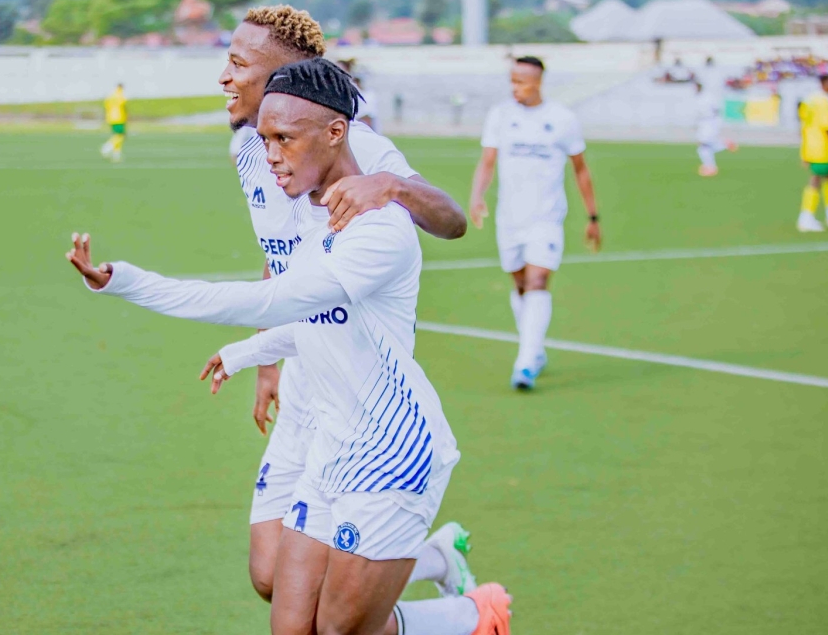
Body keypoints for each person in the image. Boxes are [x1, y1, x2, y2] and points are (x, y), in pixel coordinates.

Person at [68, 58, 511, 635]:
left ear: (335, 133)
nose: (270, 154)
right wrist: (247, 356)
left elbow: (266, 303)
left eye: (283, 140)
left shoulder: (380, 231)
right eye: (265, 140)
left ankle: (468, 617)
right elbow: (316, 321)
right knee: (290, 621)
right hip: (332, 445)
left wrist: (123, 280)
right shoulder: (311, 211)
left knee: (339, 632)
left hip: (392, 456)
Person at [220, 6, 489, 630]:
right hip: (303, 375)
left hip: (356, 396)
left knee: (332, 623)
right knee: (270, 576)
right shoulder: (249, 147)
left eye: (238, 64)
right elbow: (281, 255)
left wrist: (390, 187)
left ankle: (463, 617)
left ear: (285, 78)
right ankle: (436, 563)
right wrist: (266, 359)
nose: (224, 78)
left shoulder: (357, 141)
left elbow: (451, 219)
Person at [469, 56, 601, 391]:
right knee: (521, 285)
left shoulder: (562, 119)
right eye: (512, 81)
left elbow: (580, 169)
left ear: (538, 82)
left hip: (547, 217)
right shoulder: (501, 115)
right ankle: (535, 350)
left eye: (521, 82)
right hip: (509, 218)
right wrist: (477, 196)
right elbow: (487, 161)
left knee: (538, 280)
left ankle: (525, 363)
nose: (515, 88)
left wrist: (592, 216)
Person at [796, 74, 828, 231]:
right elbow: (826, 127)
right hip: (821, 147)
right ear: (826, 83)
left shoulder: (810, 100)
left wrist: (804, 151)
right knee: (816, 179)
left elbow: (804, 125)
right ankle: (806, 217)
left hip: (811, 146)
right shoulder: (822, 101)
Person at [695, 81, 737, 177]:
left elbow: (716, 109)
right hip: (704, 122)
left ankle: (711, 167)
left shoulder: (707, 97)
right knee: (703, 148)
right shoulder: (699, 98)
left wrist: (715, 122)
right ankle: (711, 165)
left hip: (710, 122)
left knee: (703, 144)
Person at [100, 83, 127, 162]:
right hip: (119, 118)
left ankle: (116, 154)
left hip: (111, 118)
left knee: (117, 135)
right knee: (121, 136)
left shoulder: (110, 96)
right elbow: (124, 106)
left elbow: (106, 106)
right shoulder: (121, 95)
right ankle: (107, 147)